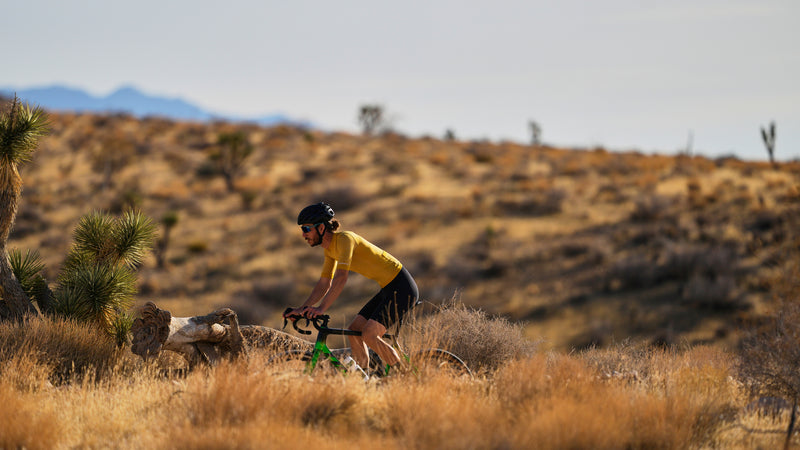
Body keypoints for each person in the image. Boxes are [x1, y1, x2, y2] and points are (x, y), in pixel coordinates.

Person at [284, 202, 419, 374]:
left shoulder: (345, 239)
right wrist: (301, 309)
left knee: (370, 335)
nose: (303, 235)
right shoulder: (329, 250)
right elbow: (324, 283)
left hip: (402, 287)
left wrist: (321, 309)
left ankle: (406, 377)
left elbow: (341, 278)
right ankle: (364, 378)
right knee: (353, 330)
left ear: (321, 228)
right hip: (387, 288)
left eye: (306, 229)